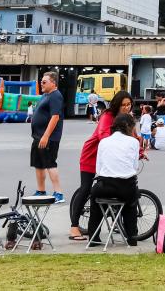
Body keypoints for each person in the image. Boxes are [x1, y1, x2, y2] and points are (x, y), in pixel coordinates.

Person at [69, 90, 133, 241]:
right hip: (92, 155)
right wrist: (118, 145)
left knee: (117, 185)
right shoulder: (107, 116)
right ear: (117, 104)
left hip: (109, 158)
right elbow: (102, 135)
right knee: (85, 189)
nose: (126, 108)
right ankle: (74, 227)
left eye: (129, 104)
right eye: (123, 105)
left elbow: (133, 136)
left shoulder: (127, 118)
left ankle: (116, 222)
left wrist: (140, 151)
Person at [87, 112, 144, 246]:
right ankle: (131, 237)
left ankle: (94, 237)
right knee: (131, 205)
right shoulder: (134, 142)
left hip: (105, 186)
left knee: (95, 203)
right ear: (129, 127)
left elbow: (98, 170)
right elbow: (134, 167)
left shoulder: (104, 142)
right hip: (125, 186)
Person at [31, 71, 65, 202]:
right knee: (38, 164)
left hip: (49, 138)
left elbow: (55, 117)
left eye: (44, 82)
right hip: (38, 136)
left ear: (53, 83)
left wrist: (46, 136)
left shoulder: (55, 96)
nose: (42, 83)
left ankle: (58, 193)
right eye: (41, 82)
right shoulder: (45, 95)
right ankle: (41, 191)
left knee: (50, 163)